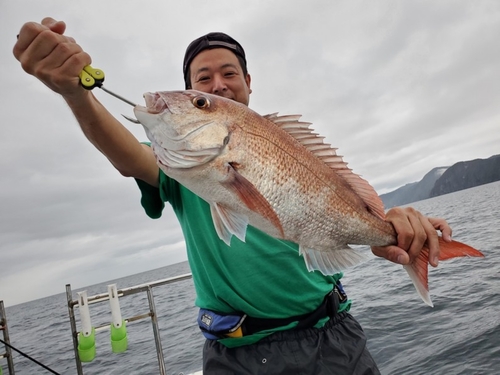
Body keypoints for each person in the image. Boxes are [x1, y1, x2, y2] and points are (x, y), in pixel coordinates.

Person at [14, 18, 452, 375]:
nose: (216, 85)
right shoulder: (175, 168)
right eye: (201, 84)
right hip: (238, 356)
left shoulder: (280, 144)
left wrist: (388, 229)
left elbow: (342, 211)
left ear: (247, 83)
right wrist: (77, 95)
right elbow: (128, 157)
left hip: (334, 336)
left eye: (228, 75)